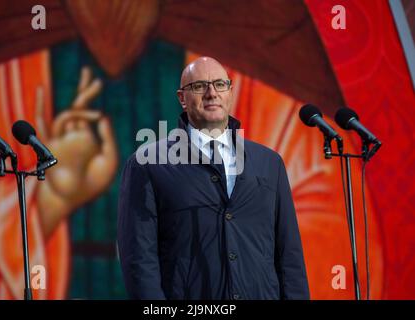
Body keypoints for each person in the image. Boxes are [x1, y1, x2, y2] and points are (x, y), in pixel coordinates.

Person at [117, 57, 309, 300]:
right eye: (199, 86)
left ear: (230, 92)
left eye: (220, 84)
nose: (211, 93)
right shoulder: (148, 164)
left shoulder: (269, 163)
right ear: (181, 98)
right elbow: (139, 258)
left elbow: (289, 254)